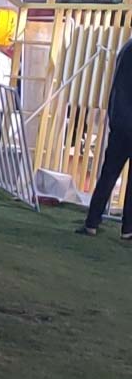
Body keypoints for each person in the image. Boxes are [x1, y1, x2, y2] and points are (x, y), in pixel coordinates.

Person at [78, 39, 132, 240]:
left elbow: (119, 89)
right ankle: (128, 228)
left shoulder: (126, 49)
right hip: (125, 123)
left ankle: (92, 222)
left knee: (108, 174)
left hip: (121, 123)